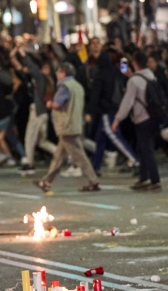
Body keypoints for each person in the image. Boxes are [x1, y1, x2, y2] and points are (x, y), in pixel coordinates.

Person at [35, 63, 100, 192]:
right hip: (75, 124)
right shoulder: (78, 86)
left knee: (79, 156)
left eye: (58, 72)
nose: (57, 75)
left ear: (63, 73)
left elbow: (58, 104)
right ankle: (46, 182)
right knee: (59, 157)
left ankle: (93, 181)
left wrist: (49, 103)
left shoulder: (64, 87)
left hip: (66, 126)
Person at [113, 52, 161, 190]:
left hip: (142, 118)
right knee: (143, 147)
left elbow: (127, 102)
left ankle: (155, 180)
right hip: (154, 116)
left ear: (134, 64)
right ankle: (144, 178)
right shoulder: (150, 76)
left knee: (146, 149)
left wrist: (117, 119)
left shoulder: (133, 81)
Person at [85, 50, 138, 174]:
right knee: (101, 139)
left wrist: (89, 111)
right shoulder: (116, 71)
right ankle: (96, 166)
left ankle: (134, 160)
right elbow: (124, 64)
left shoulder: (100, 75)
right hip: (116, 107)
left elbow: (95, 96)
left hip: (105, 110)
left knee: (115, 137)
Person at [10, 47, 56, 175]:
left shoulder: (41, 78)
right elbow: (21, 68)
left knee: (29, 138)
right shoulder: (47, 80)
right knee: (42, 141)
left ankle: (29, 163)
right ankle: (64, 155)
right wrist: (13, 55)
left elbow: (30, 66)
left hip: (37, 111)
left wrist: (23, 53)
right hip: (43, 113)